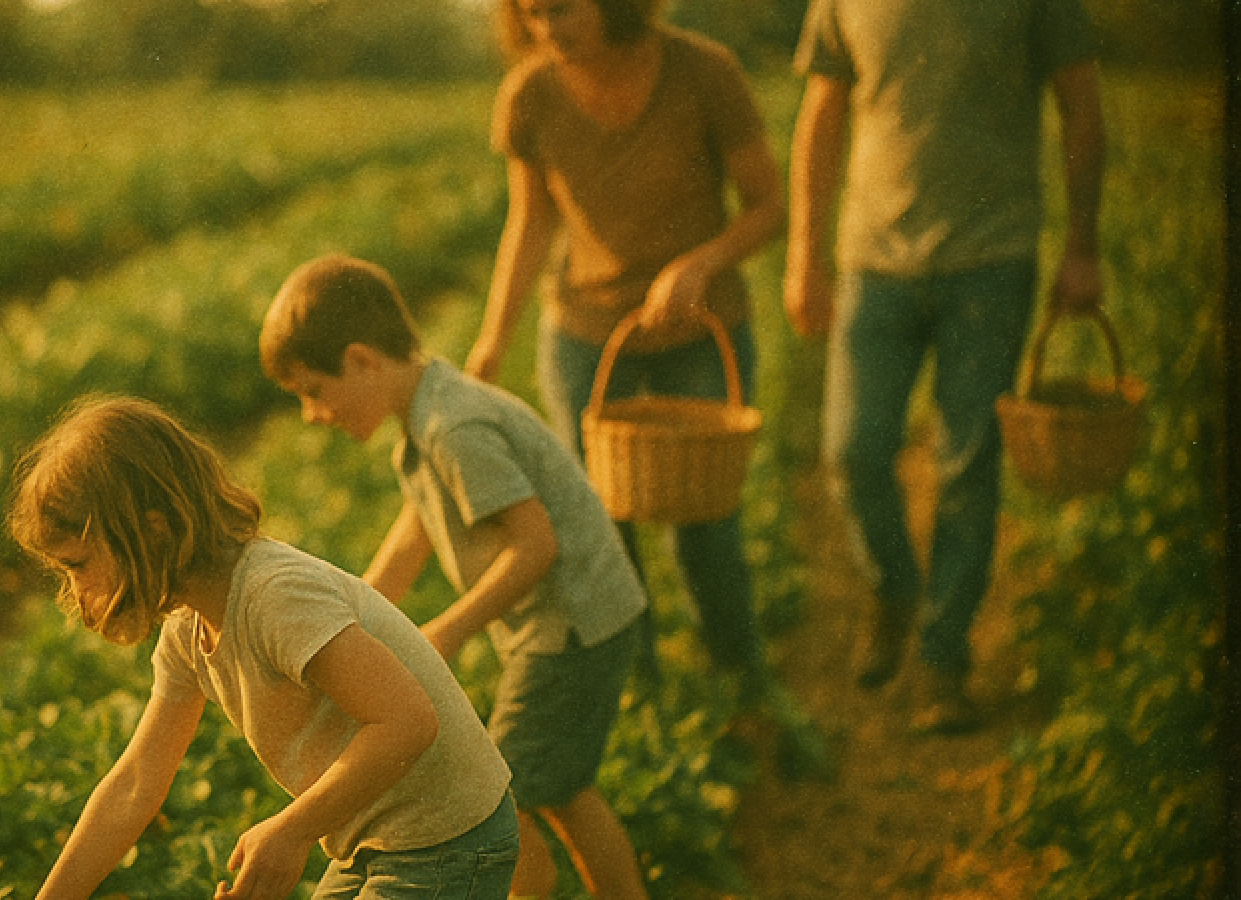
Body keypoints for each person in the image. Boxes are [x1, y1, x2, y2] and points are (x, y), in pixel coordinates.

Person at [8, 394, 519, 900]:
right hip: (376, 839)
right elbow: (136, 784)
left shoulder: (274, 596)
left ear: (151, 529)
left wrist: (292, 830)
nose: (75, 592)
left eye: (77, 564)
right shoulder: (188, 632)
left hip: (448, 837)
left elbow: (408, 722)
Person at [262, 255, 650, 900]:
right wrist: (344, 614)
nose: (312, 413)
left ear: (361, 361)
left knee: (501, 796)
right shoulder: (425, 417)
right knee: (564, 788)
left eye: (312, 390)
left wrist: (445, 632)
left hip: (573, 627)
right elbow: (411, 537)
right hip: (581, 621)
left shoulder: (453, 426)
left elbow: (535, 547)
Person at [784, 0, 1105, 733]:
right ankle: (895, 586)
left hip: (993, 260)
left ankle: (942, 660)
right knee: (853, 453)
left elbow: (1082, 109)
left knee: (967, 462)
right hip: (873, 260)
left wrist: (1082, 246)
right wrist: (806, 252)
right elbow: (821, 118)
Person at [465, 0, 786, 696]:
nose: (549, 29)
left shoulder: (703, 72)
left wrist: (703, 262)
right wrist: (492, 338)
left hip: (701, 327)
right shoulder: (530, 94)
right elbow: (531, 220)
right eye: (533, 14)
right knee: (598, 529)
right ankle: (638, 693)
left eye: (563, 9)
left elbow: (769, 204)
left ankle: (742, 683)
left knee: (705, 522)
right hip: (588, 333)